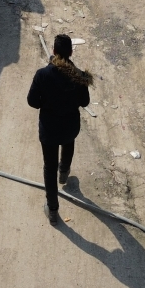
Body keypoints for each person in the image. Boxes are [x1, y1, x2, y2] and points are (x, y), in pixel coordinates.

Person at [26, 33, 93, 225]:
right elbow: (85, 101)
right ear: (71, 52)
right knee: (68, 143)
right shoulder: (78, 75)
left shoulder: (42, 75)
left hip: (49, 129)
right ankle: (64, 172)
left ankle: (53, 210)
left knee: (49, 167)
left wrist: (45, 102)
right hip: (70, 125)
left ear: (54, 51)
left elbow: (32, 102)